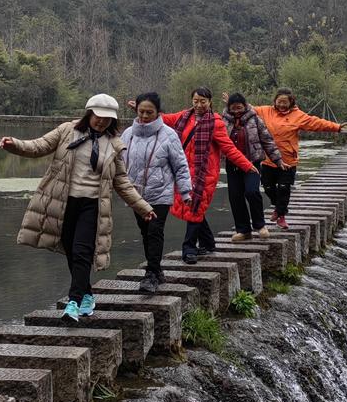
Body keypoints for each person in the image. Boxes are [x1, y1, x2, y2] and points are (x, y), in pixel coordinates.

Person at [0, 93, 155, 322]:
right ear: (89, 113)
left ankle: (72, 302)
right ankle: (87, 295)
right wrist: (14, 145)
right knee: (72, 252)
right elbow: (38, 146)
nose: (101, 122)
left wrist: (143, 207)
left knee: (83, 251)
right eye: (98, 117)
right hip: (63, 202)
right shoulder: (66, 131)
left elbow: (121, 181)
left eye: (107, 119)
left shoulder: (113, 144)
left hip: (92, 205)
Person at [160, 87, 257, 264]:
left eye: (203, 101)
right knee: (194, 207)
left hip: (204, 175)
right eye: (195, 101)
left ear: (210, 102)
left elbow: (229, 148)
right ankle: (208, 242)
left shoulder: (216, 123)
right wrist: (141, 109)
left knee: (195, 207)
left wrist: (247, 165)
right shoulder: (184, 116)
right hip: (183, 172)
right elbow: (163, 119)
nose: (199, 105)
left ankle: (189, 248)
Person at [121, 91, 192, 293]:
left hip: (161, 193)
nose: (144, 116)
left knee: (154, 230)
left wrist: (185, 192)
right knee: (145, 233)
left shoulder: (169, 135)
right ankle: (158, 269)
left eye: (149, 112)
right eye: (141, 112)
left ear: (157, 113)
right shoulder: (128, 134)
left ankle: (150, 274)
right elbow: (118, 163)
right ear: (136, 110)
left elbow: (180, 165)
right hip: (135, 194)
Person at [252, 89, 345, 227]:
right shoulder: (266, 111)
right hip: (268, 159)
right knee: (267, 187)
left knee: (284, 188)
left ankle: (281, 215)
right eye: (279, 102)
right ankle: (279, 208)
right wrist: (233, 102)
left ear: (291, 102)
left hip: (288, 160)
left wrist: (335, 127)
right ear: (275, 101)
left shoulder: (297, 116)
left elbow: (316, 123)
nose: (282, 105)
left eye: (285, 102)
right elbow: (249, 110)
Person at [222, 92, 284, 242]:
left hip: (252, 164)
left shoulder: (255, 119)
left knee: (252, 192)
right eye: (233, 108)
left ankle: (260, 225)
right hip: (232, 165)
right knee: (235, 197)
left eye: (239, 107)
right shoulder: (223, 121)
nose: (237, 111)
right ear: (229, 108)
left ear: (245, 106)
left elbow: (267, 141)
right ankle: (243, 230)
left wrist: (278, 160)